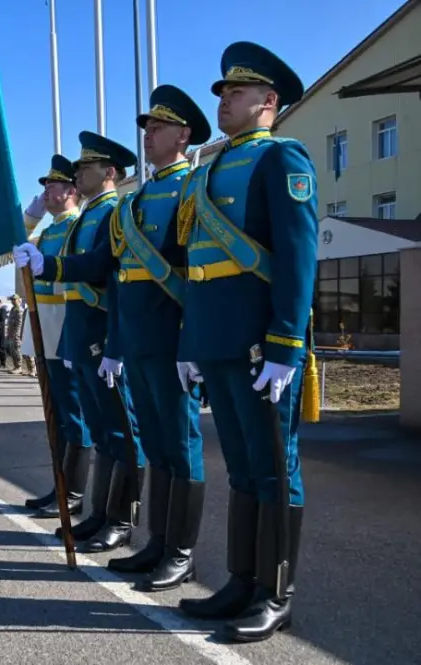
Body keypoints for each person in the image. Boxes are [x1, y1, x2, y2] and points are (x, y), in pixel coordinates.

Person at [174, 41, 316, 643]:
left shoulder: (282, 158)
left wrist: (285, 345)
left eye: (237, 92)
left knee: (274, 467)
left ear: (268, 101)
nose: (225, 101)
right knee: (242, 468)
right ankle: (241, 580)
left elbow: (298, 257)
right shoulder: (209, 170)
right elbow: (196, 267)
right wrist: (190, 342)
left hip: (262, 346)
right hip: (218, 342)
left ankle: (275, 592)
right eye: (224, 92)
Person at [95, 85, 212, 592]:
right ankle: (157, 543)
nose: (148, 134)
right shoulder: (136, 198)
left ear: (183, 136)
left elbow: (198, 271)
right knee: (158, 446)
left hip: (172, 340)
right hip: (139, 341)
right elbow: (110, 270)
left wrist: (193, 343)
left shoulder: (194, 189)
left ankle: (181, 553)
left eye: (159, 127)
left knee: (181, 445)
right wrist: (47, 264)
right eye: (147, 127)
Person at [15, 135, 143, 551]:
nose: (76, 175)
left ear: (109, 173)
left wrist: (115, 344)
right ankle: (98, 513)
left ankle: (115, 517)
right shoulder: (84, 218)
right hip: (75, 331)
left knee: (115, 430)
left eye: (84, 169)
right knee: (98, 428)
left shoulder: (111, 213)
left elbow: (107, 274)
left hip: (96, 331)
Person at [20, 156, 88, 519]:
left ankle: (73, 492)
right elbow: (12, 245)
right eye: (45, 187)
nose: (46, 192)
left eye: (54, 186)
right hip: (44, 328)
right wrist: (30, 218)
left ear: (72, 191)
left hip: (64, 326)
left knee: (72, 413)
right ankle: (59, 486)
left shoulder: (77, 226)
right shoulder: (48, 231)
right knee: (55, 413)